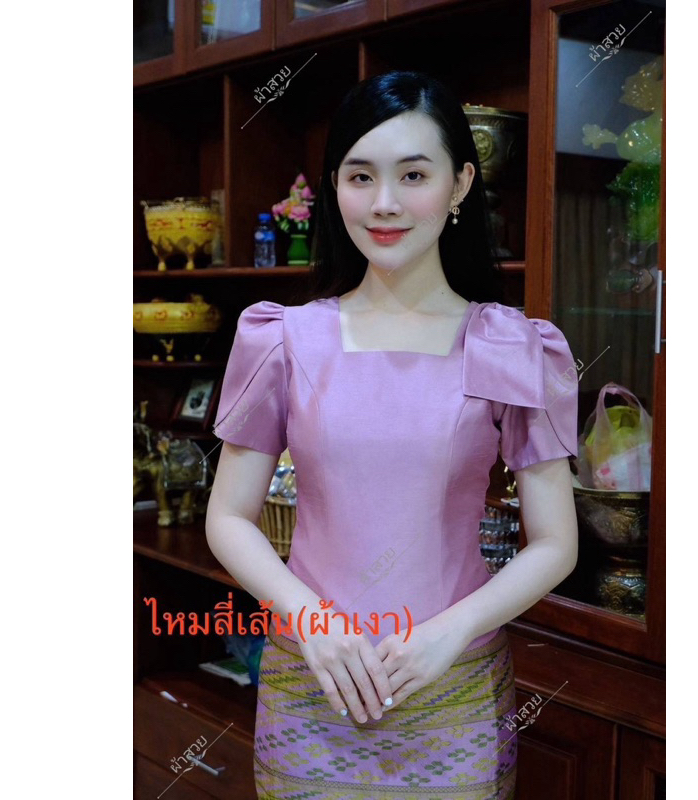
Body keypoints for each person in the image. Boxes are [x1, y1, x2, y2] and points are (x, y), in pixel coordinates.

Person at [205, 70, 580, 800]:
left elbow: (555, 542)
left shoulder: (505, 344)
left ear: (460, 183)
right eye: (360, 176)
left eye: (413, 175)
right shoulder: (283, 339)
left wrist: (451, 631)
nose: (384, 202)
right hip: (314, 680)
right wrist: (311, 620)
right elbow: (228, 517)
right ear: (334, 187)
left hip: (452, 688)